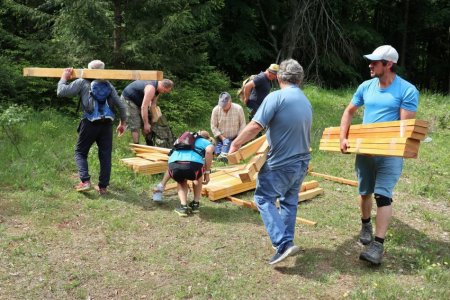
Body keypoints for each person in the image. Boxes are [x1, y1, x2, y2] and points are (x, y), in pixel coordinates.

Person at [340, 45, 419, 265]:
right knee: (365, 192)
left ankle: (378, 245)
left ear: (388, 64)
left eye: (375, 62)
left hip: (390, 153)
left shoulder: (407, 90)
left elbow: (404, 128)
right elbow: (349, 111)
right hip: (365, 151)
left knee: (383, 195)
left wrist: (387, 146)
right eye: (371, 61)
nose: (370, 65)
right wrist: (343, 137)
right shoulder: (366, 87)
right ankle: (366, 223)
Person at [229, 59, 312, 265]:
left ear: (280, 77)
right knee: (289, 201)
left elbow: (255, 126)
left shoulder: (276, 97)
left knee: (264, 198)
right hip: (302, 161)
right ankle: (287, 242)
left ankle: (282, 243)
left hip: (281, 163)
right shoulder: (304, 99)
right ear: (299, 79)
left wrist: (236, 144)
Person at [57, 60, 127, 195]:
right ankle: (103, 187)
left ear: (88, 69)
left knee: (80, 152)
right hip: (107, 124)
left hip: (90, 123)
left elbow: (61, 91)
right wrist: (122, 123)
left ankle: (85, 181)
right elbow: (122, 106)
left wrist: (64, 78)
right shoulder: (108, 85)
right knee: (105, 155)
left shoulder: (82, 82)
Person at [154, 130, 214, 216]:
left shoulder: (182, 139)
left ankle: (183, 207)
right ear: (208, 138)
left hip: (174, 165)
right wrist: (207, 174)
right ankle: (195, 204)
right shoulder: (204, 141)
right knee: (198, 175)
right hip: (193, 166)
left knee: (181, 180)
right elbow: (209, 151)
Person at [121, 79, 174, 144]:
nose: (164, 93)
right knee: (135, 123)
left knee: (149, 121)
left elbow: (153, 105)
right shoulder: (151, 88)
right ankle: (137, 146)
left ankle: (149, 143)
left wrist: (154, 118)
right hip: (129, 100)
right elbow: (144, 107)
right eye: (165, 91)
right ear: (163, 86)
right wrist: (146, 124)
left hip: (139, 101)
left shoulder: (158, 89)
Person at [210, 92, 246, 162]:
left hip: (235, 137)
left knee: (233, 156)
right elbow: (213, 126)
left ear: (230, 101)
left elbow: (242, 125)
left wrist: (238, 139)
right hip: (221, 138)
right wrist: (223, 139)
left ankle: (226, 154)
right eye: (221, 104)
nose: (223, 107)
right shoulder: (216, 110)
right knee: (218, 154)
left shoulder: (238, 108)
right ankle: (221, 154)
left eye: (225, 105)